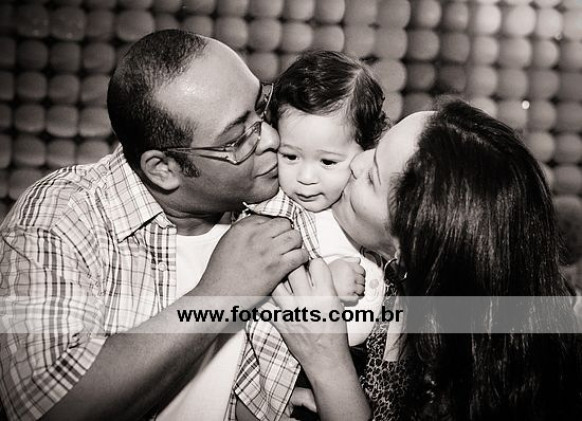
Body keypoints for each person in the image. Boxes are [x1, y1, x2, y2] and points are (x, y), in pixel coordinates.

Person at [0, 30, 309, 420]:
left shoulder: (292, 187)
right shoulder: (61, 217)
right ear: (163, 169)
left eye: (261, 108)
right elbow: (49, 407)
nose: (270, 139)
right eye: (236, 140)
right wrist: (219, 295)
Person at [270, 100, 582, 420]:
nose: (355, 162)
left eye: (372, 178)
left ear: (411, 246)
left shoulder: (476, 375)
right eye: (377, 147)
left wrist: (328, 363)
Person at [230, 50, 389, 421]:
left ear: (366, 153)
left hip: (358, 367)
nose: (305, 178)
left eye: (327, 162)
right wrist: (324, 277)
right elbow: (255, 290)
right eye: (290, 156)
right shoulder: (272, 208)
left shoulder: (366, 205)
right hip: (283, 365)